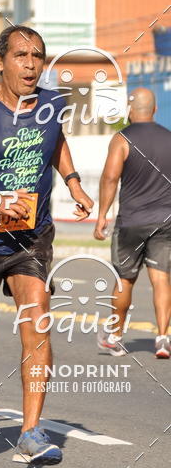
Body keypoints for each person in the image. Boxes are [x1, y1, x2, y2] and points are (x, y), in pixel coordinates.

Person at [0, 25, 93, 468]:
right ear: (0, 61)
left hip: (31, 236)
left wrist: (73, 182)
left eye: (37, 56)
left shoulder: (52, 104)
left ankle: (30, 432)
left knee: (38, 323)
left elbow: (55, 140)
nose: (30, 64)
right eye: (21, 55)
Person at [94, 87, 171, 359]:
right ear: (155, 109)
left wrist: (102, 215)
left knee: (124, 279)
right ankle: (163, 339)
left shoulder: (122, 138)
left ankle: (115, 338)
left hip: (131, 223)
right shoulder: (169, 138)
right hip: (164, 221)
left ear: (130, 110)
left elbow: (110, 178)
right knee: (161, 279)